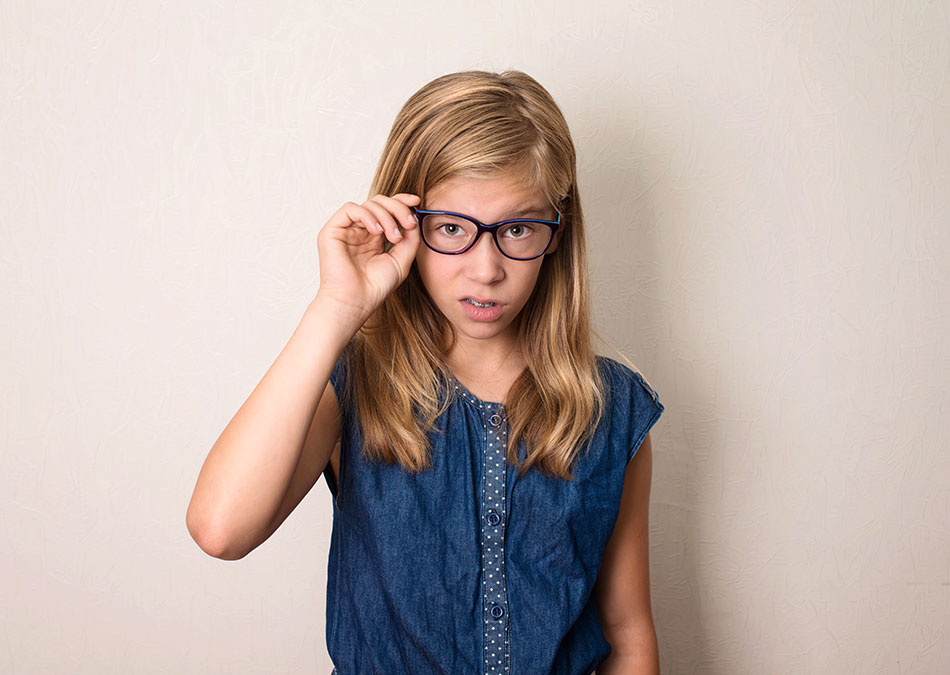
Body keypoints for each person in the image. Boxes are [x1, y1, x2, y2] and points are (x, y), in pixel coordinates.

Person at [186, 69, 665, 675]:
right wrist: (337, 309)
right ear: (405, 224)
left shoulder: (611, 408)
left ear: (556, 233)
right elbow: (220, 529)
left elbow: (627, 634)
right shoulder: (356, 385)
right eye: (452, 229)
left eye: (517, 228)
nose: (486, 269)